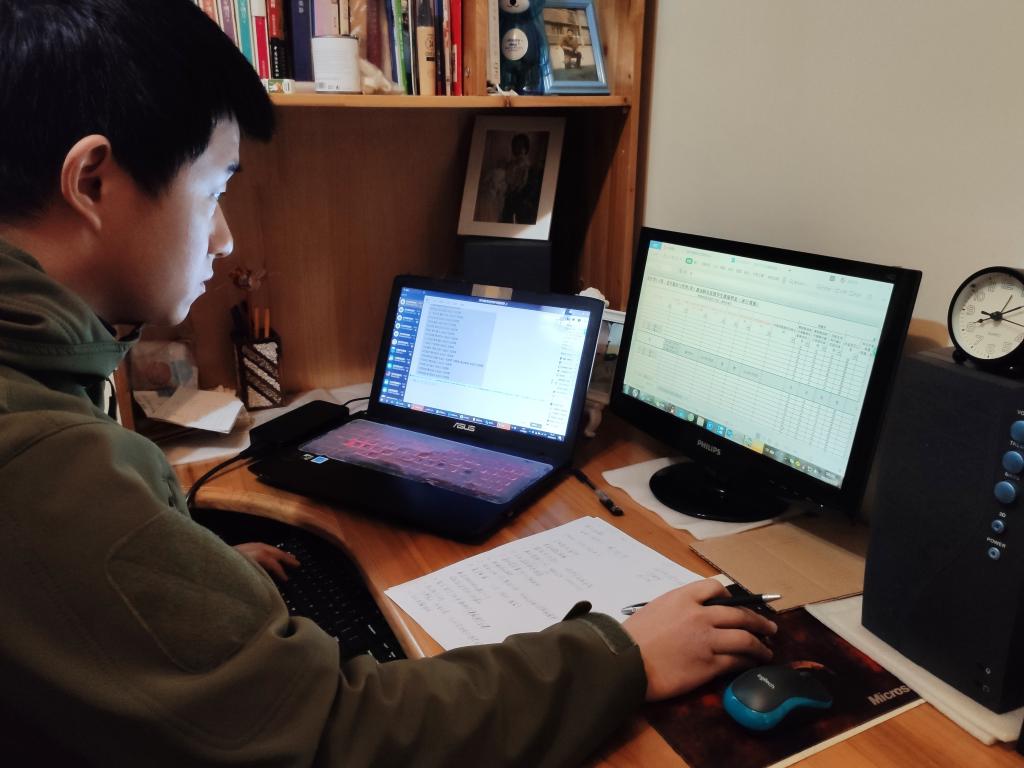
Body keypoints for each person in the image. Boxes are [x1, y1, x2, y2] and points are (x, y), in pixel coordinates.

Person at [0, 1, 777, 766]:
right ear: (92, 182)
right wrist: (623, 655)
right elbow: (342, 735)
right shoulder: (43, 462)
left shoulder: (43, 382)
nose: (225, 237)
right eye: (214, 191)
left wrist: (194, 575)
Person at [500, 133, 544, 225]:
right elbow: (506, 180)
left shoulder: (529, 166)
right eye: (517, 146)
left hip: (522, 199)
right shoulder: (510, 165)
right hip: (508, 197)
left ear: (526, 148)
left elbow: (527, 185)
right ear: (514, 148)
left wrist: (518, 192)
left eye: (522, 146)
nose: (520, 149)